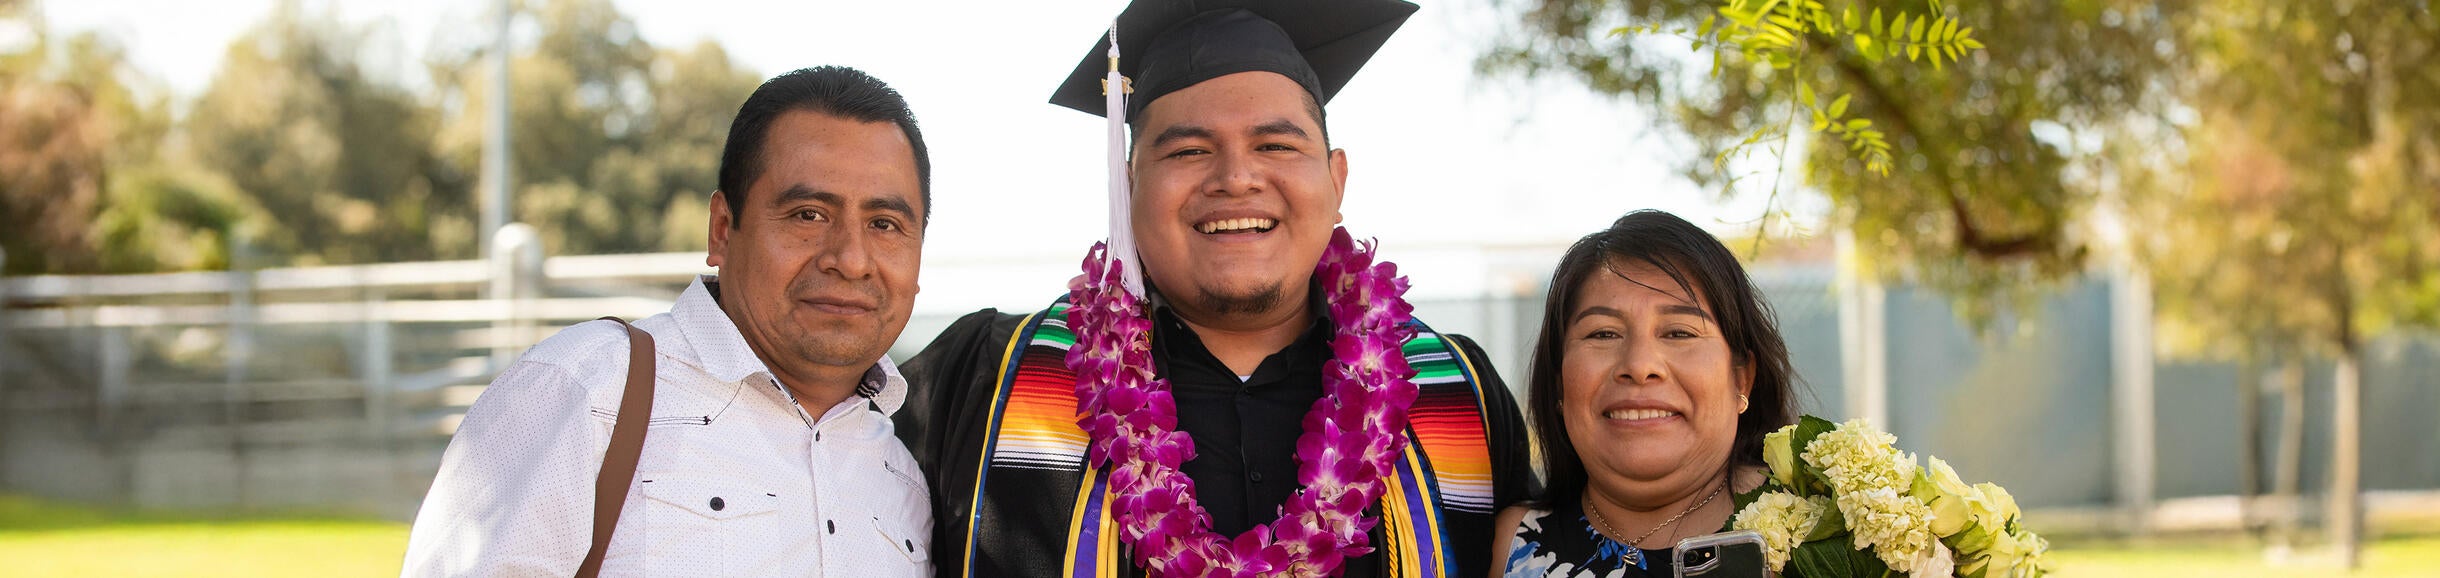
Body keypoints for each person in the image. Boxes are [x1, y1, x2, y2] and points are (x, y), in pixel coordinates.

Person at [895, 1, 1535, 576]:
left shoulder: (1457, 396)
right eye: (1188, 152)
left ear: (1336, 180)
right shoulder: (984, 378)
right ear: (1128, 184)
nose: (1235, 177)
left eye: (1276, 145)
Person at [400, 66, 936, 577]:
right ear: (722, 229)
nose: (851, 259)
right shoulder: (586, 392)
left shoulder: (904, 480)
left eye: (884, 224)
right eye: (808, 215)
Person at [1492, 210, 1799, 577]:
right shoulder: (1514, 546)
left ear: (1742, 379)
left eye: (1679, 332)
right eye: (1603, 333)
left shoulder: (1825, 526)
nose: (1639, 366)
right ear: (1559, 382)